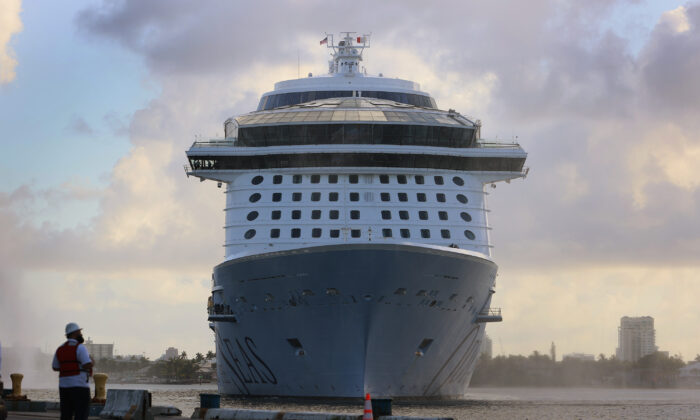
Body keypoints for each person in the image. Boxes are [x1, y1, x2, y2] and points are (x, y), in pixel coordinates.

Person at [52, 323, 93, 420]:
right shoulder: (80, 347)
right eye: (80, 332)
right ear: (75, 333)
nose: (81, 334)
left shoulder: (60, 348)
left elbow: (55, 367)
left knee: (66, 414)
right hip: (80, 386)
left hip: (64, 386)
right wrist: (92, 361)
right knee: (81, 414)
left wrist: (67, 368)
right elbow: (87, 364)